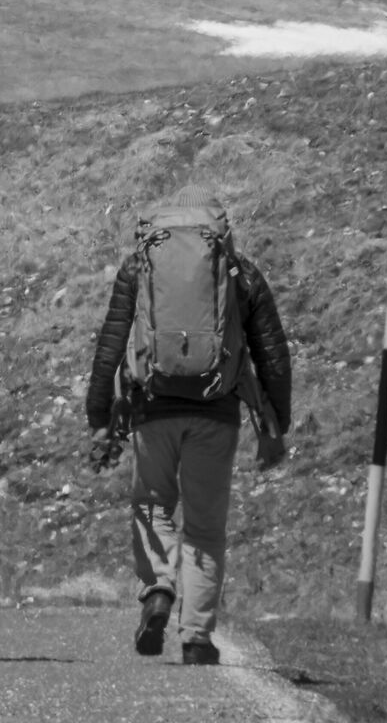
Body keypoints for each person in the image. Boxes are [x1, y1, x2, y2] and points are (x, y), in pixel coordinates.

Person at [85, 201, 292, 666]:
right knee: (204, 526)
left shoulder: (139, 265)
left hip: (152, 408)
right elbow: (272, 353)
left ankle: (159, 587)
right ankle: (197, 636)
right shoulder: (239, 272)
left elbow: (111, 343)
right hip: (216, 412)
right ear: (218, 229)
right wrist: (276, 423)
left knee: (154, 504)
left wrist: (99, 416)